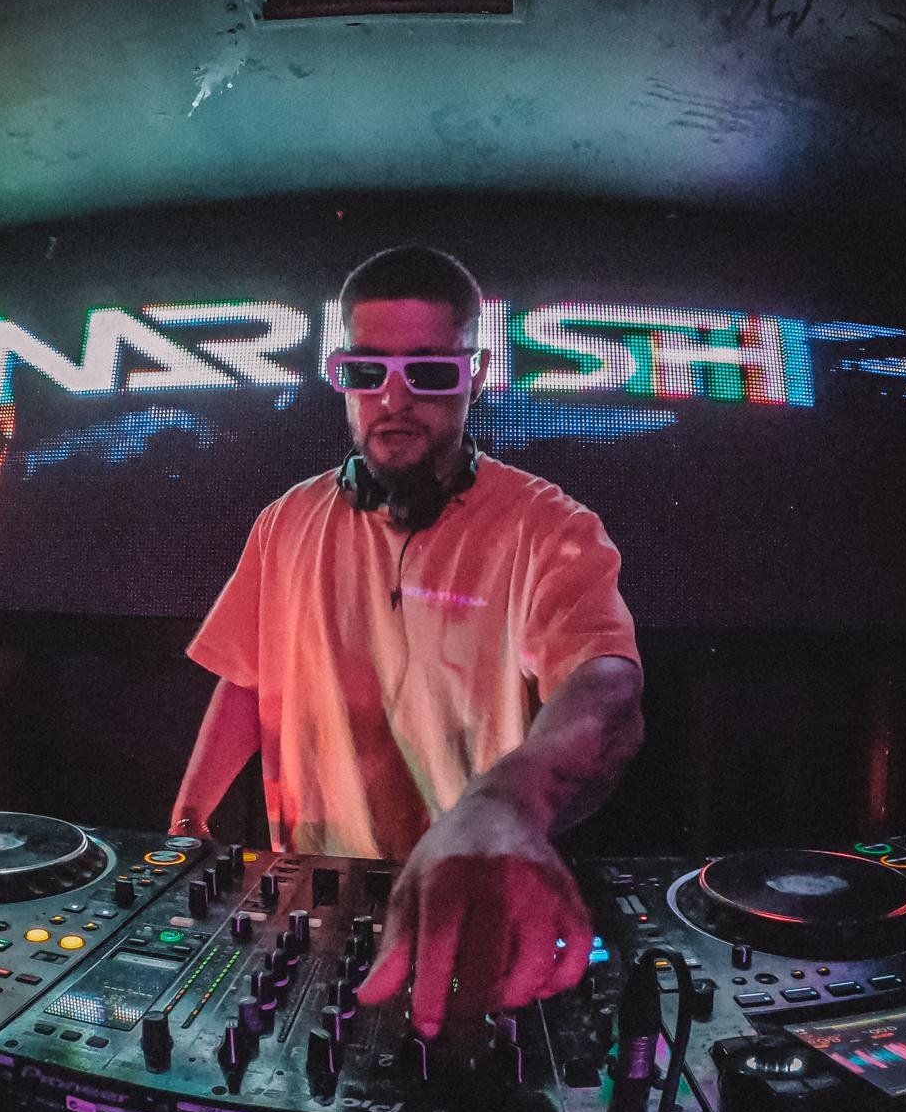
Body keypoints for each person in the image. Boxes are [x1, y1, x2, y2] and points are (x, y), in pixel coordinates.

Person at [170, 245, 643, 1036]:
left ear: (475, 374)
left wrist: (506, 803)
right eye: (367, 372)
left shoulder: (549, 526)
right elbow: (247, 678)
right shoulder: (285, 521)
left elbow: (606, 687)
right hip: (313, 895)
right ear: (340, 376)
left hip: (465, 899)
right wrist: (187, 817)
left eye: (427, 372)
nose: (394, 399)